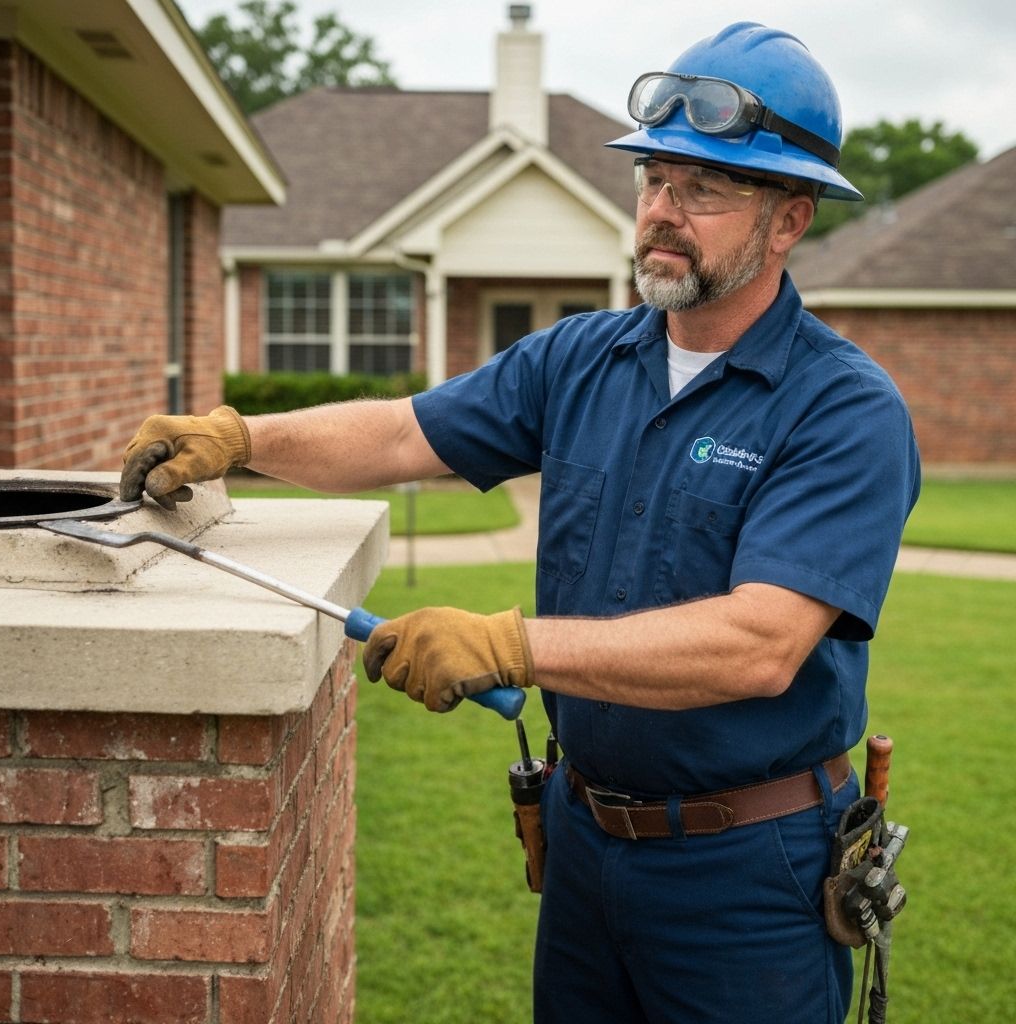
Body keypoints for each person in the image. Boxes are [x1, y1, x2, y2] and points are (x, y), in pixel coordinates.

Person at [120, 22, 920, 1024]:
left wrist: (508, 646)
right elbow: (402, 432)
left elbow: (760, 644)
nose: (663, 213)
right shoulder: (580, 359)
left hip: (747, 874)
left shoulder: (842, 409)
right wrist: (238, 436)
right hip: (584, 846)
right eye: (654, 181)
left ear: (788, 219)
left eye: (704, 189)